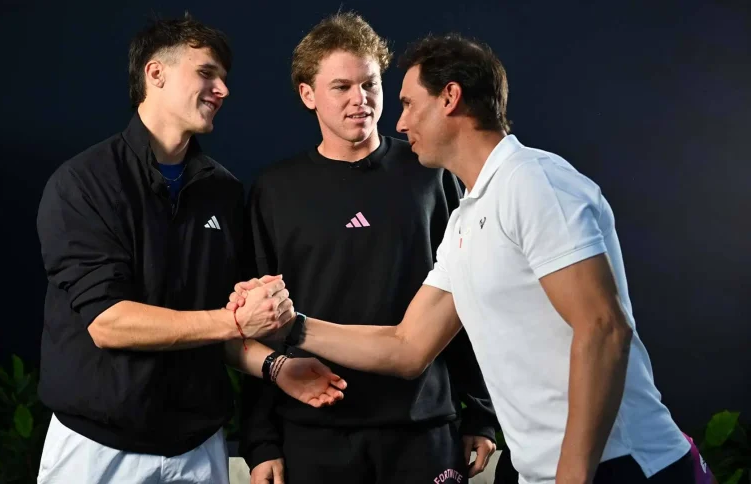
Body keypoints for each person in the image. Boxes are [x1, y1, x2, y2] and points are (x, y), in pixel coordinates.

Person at [230, 33, 701, 484]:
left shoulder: (533, 182)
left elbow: (603, 330)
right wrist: (291, 325)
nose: (398, 121)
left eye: (409, 103)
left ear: (450, 98)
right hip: (541, 469)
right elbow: (407, 346)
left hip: (620, 465)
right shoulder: (466, 218)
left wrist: (572, 478)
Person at [35, 15, 346, 484]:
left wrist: (277, 366)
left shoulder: (221, 190)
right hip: (96, 449)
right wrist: (237, 320)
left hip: (198, 448)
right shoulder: (83, 184)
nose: (222, 89)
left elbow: (214, 329)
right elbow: (108, 323)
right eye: (206, 73)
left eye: (224, 78)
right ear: (155, 74)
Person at [237, 13, 497, 484]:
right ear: (307, 94)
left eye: (370, 84)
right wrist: (261, 442)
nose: (360, 100)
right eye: (341, 87)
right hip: (314, 430)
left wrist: (479, 413)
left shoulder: (430, 174)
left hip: (423, 427)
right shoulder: (275, 190)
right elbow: (259, 322)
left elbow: (468, 299)